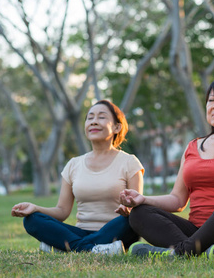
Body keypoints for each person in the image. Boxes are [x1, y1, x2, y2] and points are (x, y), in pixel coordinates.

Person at [120, 76, 214, 258]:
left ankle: (180, 252)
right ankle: (198, 250)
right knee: (139, 214)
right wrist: (142, 199)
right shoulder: (193, 146)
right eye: (211, 100)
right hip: (197, 233)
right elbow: (177, 200)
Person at [11, 100, 144, 255]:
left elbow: (137, 209)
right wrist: (35, 208)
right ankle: (94, 250)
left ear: (117, 127)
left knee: (132, 221)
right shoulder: (73, 164)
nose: (94, 121)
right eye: (90, 118)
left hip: (115, 231)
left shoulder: (129, 162)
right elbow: (62, 211)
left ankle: (66, 247)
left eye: (101, 117)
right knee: (32, 219)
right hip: (80, 232)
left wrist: (128, 209)